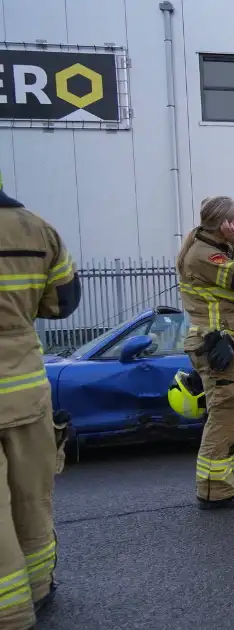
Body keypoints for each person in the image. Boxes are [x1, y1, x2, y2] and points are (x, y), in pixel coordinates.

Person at [0, 172, 81, 628]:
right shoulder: (35, 229)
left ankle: (10, 614)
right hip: (25, 387)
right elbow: (63, 303)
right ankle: (38, 589)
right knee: (32, 498)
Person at [177, 196, 234, 509]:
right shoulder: (205, 256)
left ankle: (220, 482)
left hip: (223, 341)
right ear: (223, 224)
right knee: (226, 414)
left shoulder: (207, 250)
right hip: (216, 344)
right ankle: (214, 489)